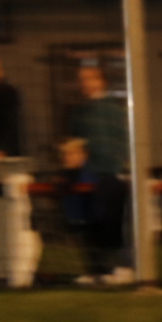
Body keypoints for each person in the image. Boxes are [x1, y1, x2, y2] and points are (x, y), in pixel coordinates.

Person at [68, 64, 134, 285]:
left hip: (109, 174)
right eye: (82, 79)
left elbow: (121, 141)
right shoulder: (79, 111)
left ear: (101, 81)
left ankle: (122, 266)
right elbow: (74, 141)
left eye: (90, 78)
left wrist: (116, 167)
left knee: (111, 221)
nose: (85, 83)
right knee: (86, 222)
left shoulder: (114, 109)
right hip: (86, 173)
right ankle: (97, 269)